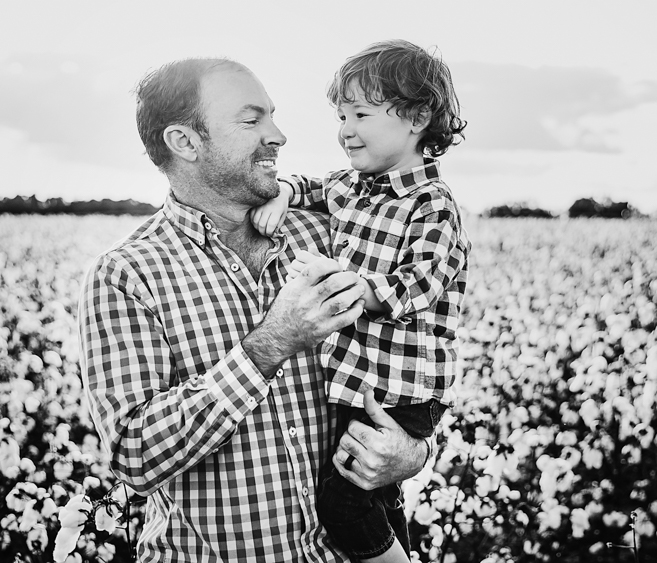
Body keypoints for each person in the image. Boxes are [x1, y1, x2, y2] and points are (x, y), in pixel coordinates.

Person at [78, 57, 433, 563]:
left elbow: (409, 359)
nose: (279, 135)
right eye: (252, 120)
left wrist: (412, 453)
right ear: (184, 142)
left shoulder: (332, 234)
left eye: (272, 115)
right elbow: (134, 455)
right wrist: (273, 342)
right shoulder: (127, 275)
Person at [250, 40, 470, 563]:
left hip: (406, 385)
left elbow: (423, 281)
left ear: (417, 117)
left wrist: (361, 289)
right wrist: (282, 192)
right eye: (341, 115)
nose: (345, 129)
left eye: (361, 114)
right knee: (375, 495)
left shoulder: (432, 204)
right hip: (362, 378)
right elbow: (310, 186)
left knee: (343, 500)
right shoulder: (350, 186)